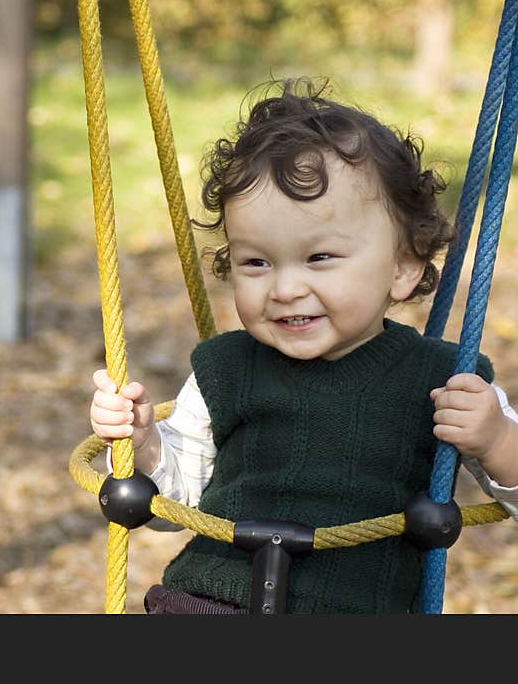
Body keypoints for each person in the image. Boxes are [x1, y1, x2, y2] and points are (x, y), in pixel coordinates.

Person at [89, 78, 518, 614]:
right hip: (210, 602)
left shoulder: (445, 379)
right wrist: (142, 442)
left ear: (404, 266)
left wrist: (497, 439)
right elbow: (174, 497)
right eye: (256, 263)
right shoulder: (226, 368)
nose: (286, 288)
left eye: (319, 259)